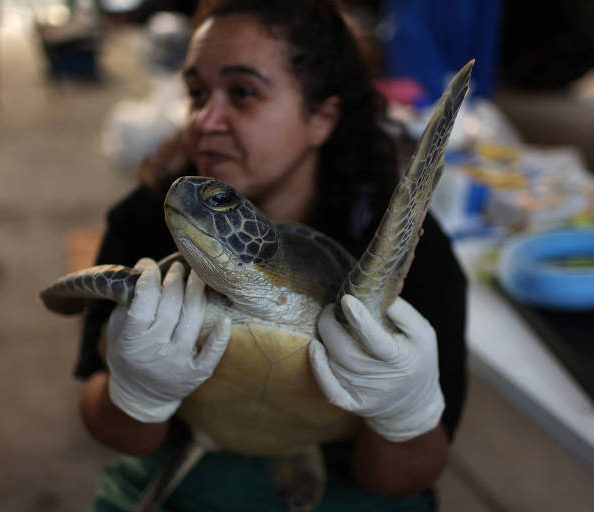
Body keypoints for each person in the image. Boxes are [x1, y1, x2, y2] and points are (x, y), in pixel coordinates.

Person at [75, 1, 467, 510]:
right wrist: (136, 395)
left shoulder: (406, 246)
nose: (205, 120)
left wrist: (405, 414)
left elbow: (406, 476)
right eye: (196, 93)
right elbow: (102, 421)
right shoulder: (153, 215)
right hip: (188, 462)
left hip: (347, 476)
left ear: (322, 117)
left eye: (243, 93)